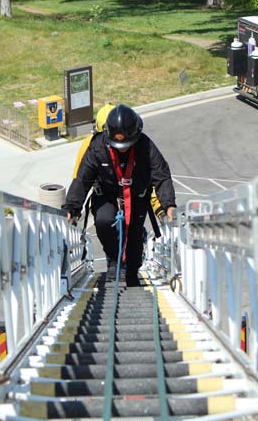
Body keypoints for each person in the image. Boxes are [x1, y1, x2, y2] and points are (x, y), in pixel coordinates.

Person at [63, 104, 176, 286]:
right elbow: (82, 179)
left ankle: (131, 271)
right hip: (107, 194)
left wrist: (169, 206)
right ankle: (114, 259)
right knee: (103, 221)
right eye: (118, 145)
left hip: (136, 197)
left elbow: (161, 176)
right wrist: (71, 208)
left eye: (127, 144)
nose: (122, 149)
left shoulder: (145, 146)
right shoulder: (98, 147)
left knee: (133, 242)